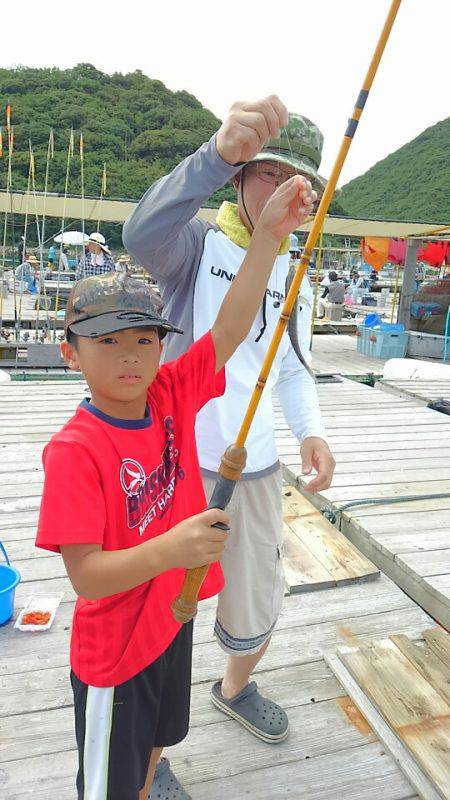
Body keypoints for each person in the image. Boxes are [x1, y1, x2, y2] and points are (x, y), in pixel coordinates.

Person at [36, 172, 316, 800]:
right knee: (106, 778)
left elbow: (228, 330)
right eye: (106, 341)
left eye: (144, 339)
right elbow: (86, 577)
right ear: (70, 354)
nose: (129, 356)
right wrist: (174, 548)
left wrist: (268, 237)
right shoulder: (75, 451)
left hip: (172, 619)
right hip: (116, 655)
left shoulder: (167, 395)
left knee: (158, 741)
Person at [123, 96, 335, 744]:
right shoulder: (195, 244)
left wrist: (312, 430)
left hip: (259, 464)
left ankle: (234, 686)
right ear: (242, 175)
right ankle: (155, 750)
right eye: (268, 172)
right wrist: (214, 155)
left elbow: (293, 366)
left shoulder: (295, 269)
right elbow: (140, 233)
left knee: (257, 596)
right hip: (180, 462)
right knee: (163, 611)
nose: (282, 189)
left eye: (296, 180)